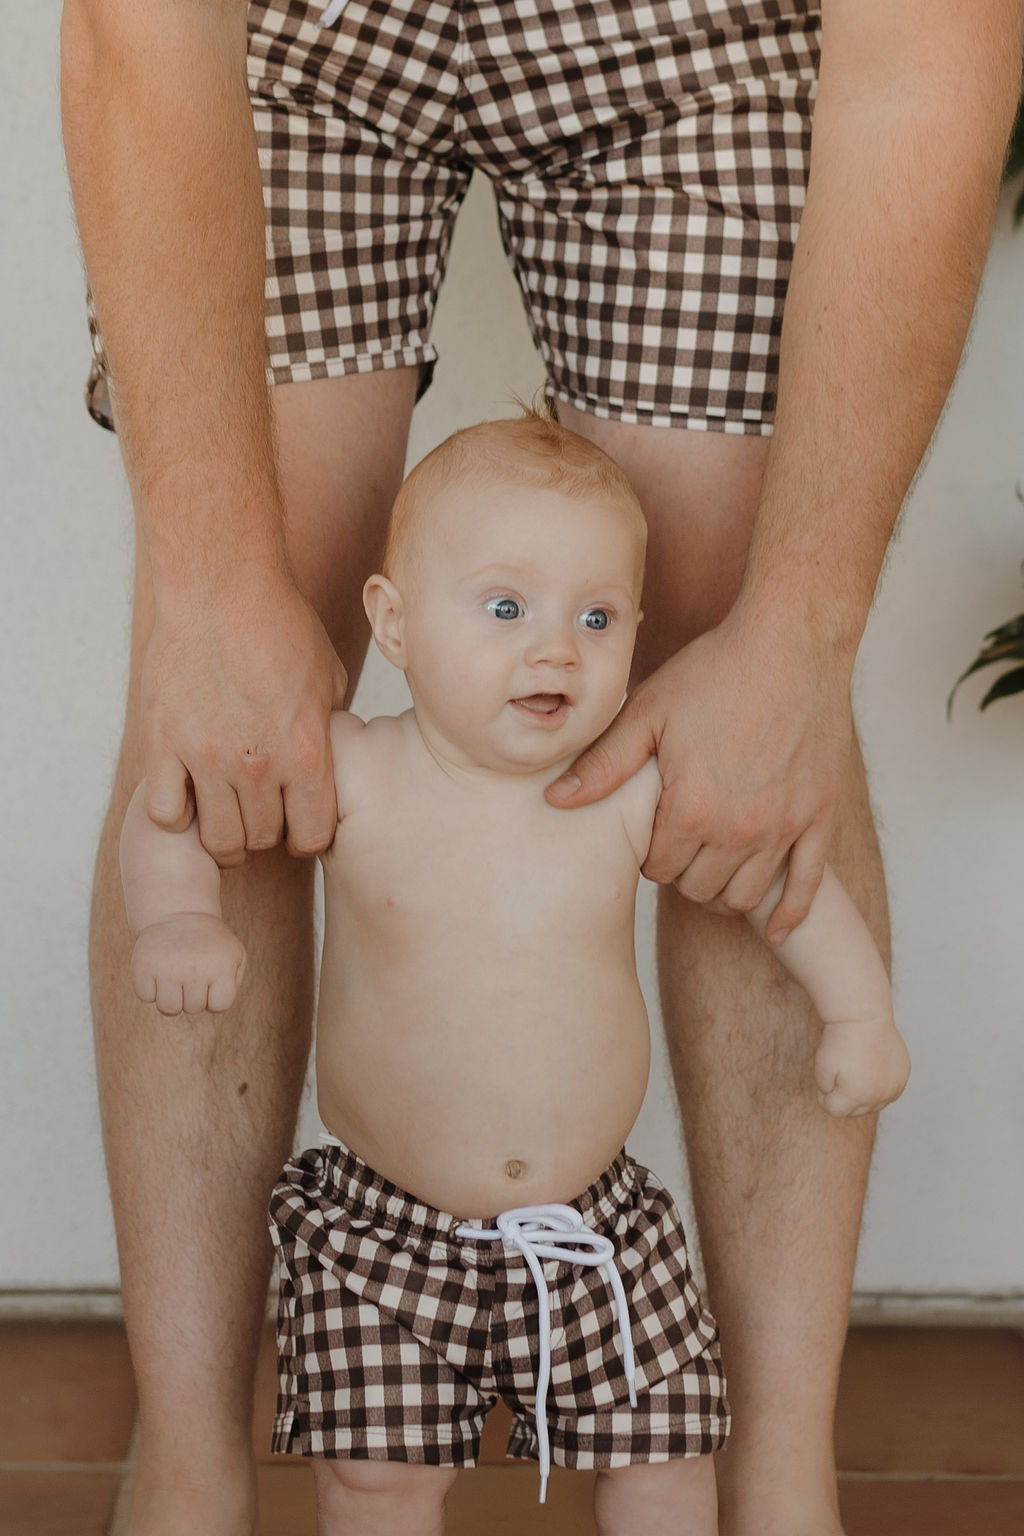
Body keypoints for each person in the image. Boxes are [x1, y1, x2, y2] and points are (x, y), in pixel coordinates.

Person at [60, 0, 1023, 1531]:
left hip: (691, 31)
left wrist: (801, 630)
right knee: (234, 707)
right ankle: (183, 1460)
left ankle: (777, 1479)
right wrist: (203, 577)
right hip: (287, 28)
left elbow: (930, 57)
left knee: (741, 703)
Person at [119, 415, 908, 1533]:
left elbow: (780, 879)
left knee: (666, 1459)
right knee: (379, 1475)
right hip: (385, 1231)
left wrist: (857, 1008)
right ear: (392, 622)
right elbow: (176, 807)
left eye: (596, 617)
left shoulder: (626, 787)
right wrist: (178, 920)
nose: (557, 650)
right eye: (506, 609)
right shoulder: (357, 771)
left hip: (597, 1227)